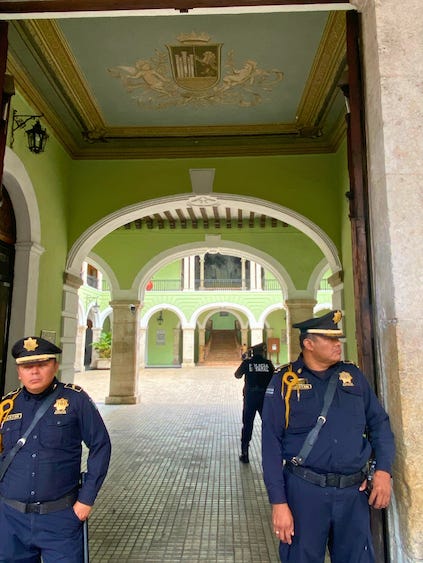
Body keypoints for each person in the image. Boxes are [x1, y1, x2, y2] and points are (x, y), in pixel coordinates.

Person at [262, 310, 395, 563]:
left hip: (353, 493)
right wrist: (278, 503)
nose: (338, 345)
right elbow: (270, 445)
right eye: (330, 340)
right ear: (308, 344)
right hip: (304, 493)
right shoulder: (285, 381)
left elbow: (380, 424)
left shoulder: (353, 377)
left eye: (339, 339)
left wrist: (383, 471)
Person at [0, 336, 112, 563]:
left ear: (55, 365)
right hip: (10, 519)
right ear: (19, 371)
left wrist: (86, 500)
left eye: (41, 364)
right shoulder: (6, 406)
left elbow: (101, 445)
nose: (34, 372)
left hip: (60, 518)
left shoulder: (75, 399)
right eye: (27, 366)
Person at [235, 342, 275, 463]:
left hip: (250, 398)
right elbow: (274, 379)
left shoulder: (248, 363)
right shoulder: (268, 364)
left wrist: (245, 360)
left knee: (247, 425)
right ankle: (271, 453)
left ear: (252, 352)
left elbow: (237, 375)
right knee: (268, 426)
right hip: (265, 399)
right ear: (263, 352)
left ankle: (245, 453)